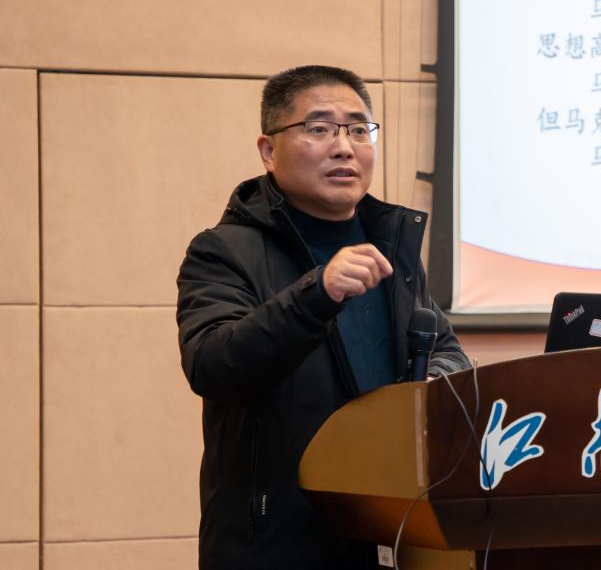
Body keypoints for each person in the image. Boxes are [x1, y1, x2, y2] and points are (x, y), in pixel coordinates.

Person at [176, 65, 470, 569]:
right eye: (319, 128)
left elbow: (442, 347)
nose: (344, 147)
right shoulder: (223, 251)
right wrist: (317, 294)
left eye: (358, 129)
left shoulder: (391, 245)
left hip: (389, 528)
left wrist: (436, 383)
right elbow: (212, 365)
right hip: (277, 543)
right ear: (268, 150)